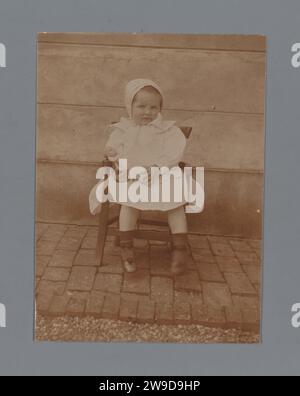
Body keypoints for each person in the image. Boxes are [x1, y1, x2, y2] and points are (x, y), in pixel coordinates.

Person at [98, 79, 191, 275]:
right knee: (128, 200)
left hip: (162, 175)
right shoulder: (122, 130)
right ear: (130, 106)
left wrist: (159, 167)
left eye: (153, 107)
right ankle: (126, 246)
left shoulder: (168, 130)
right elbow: (116, 152)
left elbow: (175, 152)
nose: (147, 112)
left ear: (160, 108)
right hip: (132, 175)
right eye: (141, 106)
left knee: (175, 200)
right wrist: (113, 154)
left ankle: (180, 249)